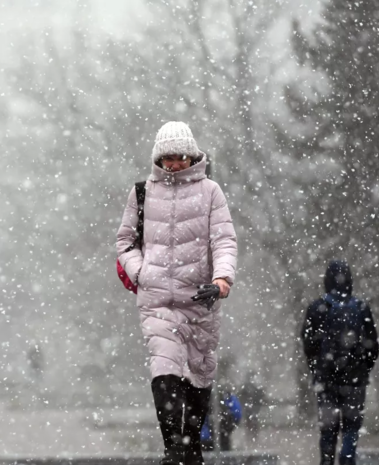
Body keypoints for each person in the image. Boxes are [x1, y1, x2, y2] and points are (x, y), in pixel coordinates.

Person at [116, 121, 237, 465]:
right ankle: (173, 448)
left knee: (199, 377)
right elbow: (125, 242)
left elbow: (224, 240)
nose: (173, 164)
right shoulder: (142, 193)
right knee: (164, 370)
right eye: (167, 157)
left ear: (192, 155)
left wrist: (222, 280)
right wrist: (142, 272)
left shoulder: (211, 192)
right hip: (158, 303)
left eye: (180, 156)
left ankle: (192, 446)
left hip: (201, 301)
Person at [301, 260, 379, 465]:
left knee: (328, 431)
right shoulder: (361, 308)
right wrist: (362, 368)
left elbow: (308, 347)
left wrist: (318, 369)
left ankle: (327, 461)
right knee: (351, 428)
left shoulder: (316, 308)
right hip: (354, 380)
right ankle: (347, 458)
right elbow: (373, 346)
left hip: (326, 381)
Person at [239, 371, 267, 444]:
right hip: (251, 409)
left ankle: (252, 437)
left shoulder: (252, 387)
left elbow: (260, 397)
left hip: (252, 409)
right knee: (251, 423)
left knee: (252, 423)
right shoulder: (250, 387)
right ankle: (252, 437)